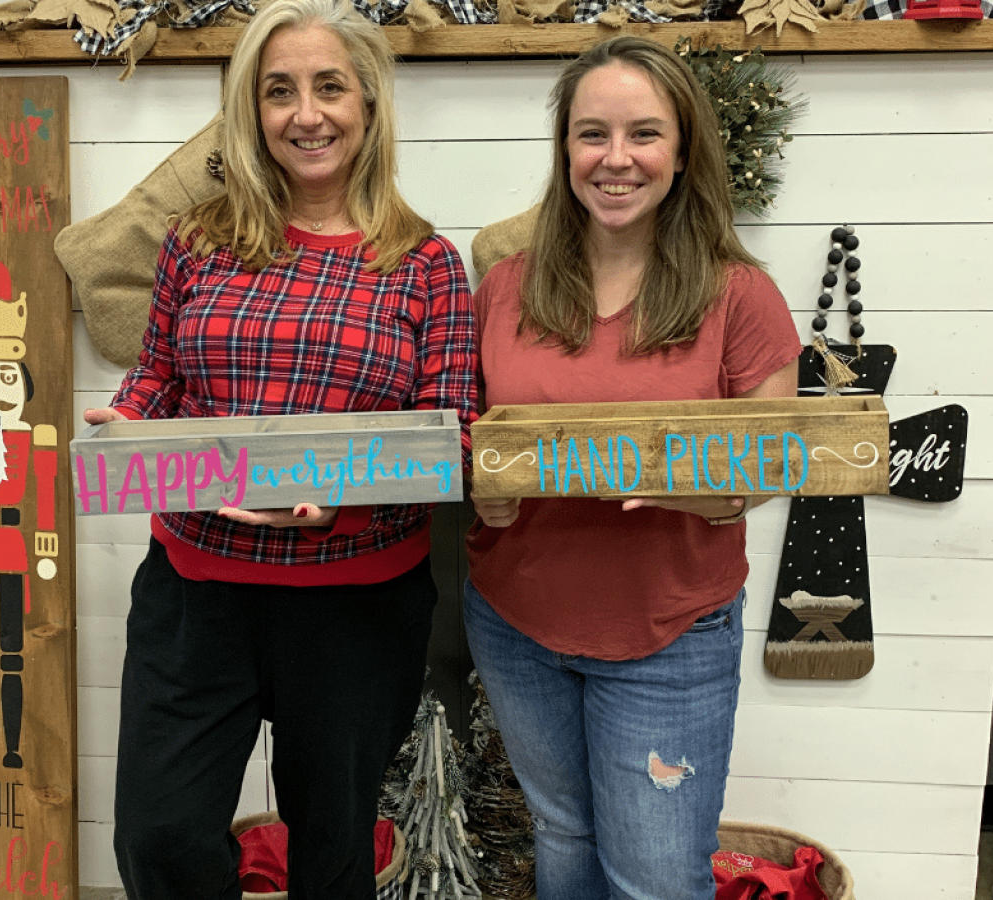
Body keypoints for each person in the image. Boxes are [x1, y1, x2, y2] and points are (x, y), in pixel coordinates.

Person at [83, 1, 477, 897]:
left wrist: (346, 498)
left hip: (353, 609)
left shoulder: (425, 265)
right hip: (196, 594)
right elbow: (159, 376)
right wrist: (127, 423)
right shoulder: (199, 240)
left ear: (369, 107)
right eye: (279, 91)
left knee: (333, 853)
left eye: (330, 87)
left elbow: (447, 437)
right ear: (252, 114)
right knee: (160, 839)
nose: (307, 113)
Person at [463, 36, 801, 900]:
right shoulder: (505, 286)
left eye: (644, 134)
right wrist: (484, 488)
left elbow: (778, 455)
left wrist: (713, 491)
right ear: (563, 150)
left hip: (669, 634)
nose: (616, 159)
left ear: (683, 152)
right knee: (564, 840)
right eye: (592, 135)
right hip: (517, 626)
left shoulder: (739, 295)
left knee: (653, 878)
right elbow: (472, 436)